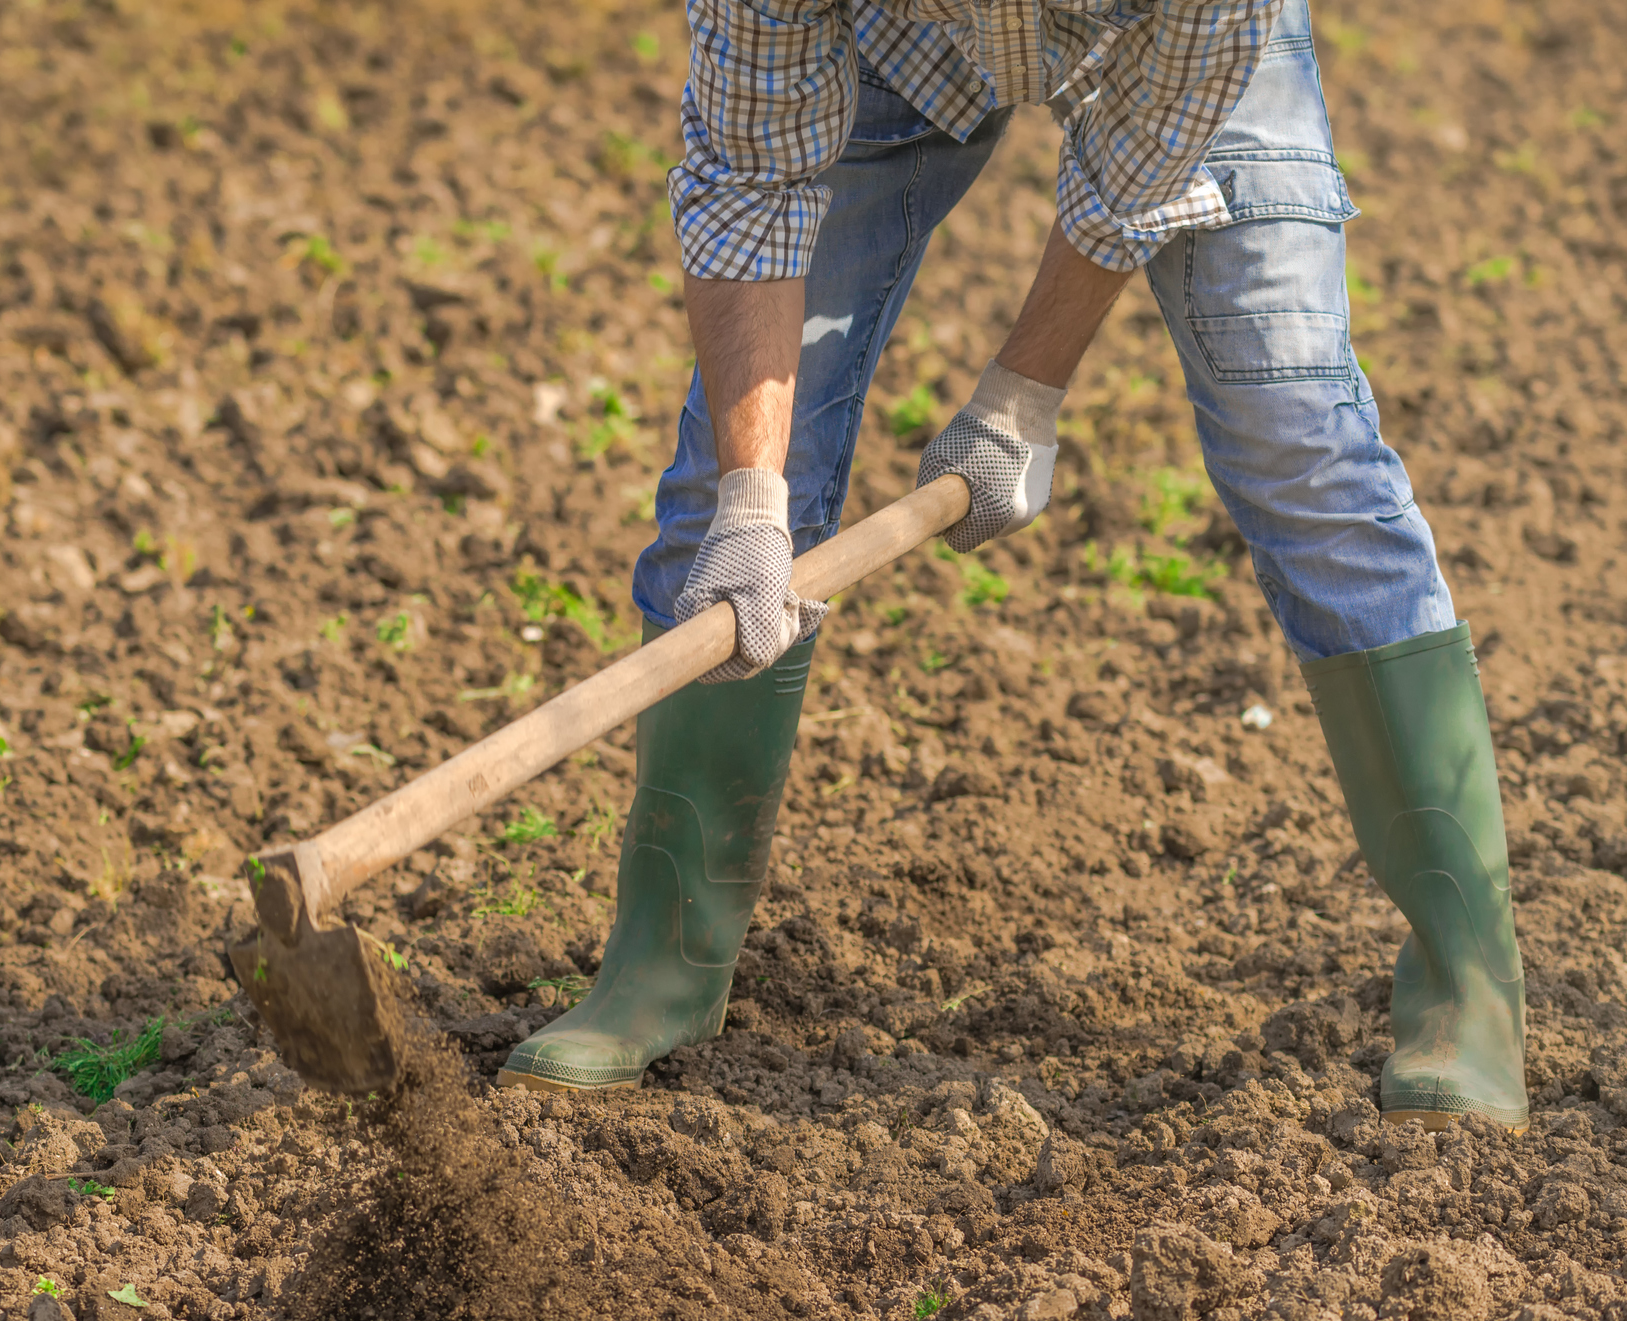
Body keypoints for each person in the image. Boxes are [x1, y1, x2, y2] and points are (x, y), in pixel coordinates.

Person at [500, 0, 1526, 1135]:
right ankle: (659, 962)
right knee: (719, 497)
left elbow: (1145, 147)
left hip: (1174, 54)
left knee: (1297, 440)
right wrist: (752, 501)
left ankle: (1465, 987)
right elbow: (749, 186)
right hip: (891, 45)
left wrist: (1021, 394)